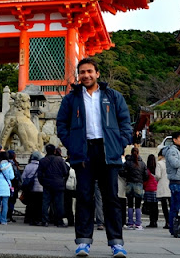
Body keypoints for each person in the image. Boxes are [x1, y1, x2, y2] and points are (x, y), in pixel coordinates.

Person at [56, 57, 132, 257]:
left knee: (111, 199)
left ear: (97, 73)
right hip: (83, 152)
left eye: (90, 71)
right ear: (78, 75)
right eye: (82, 72)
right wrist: (71, 145)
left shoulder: (113, 96)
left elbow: (125, 122)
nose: (86, 75)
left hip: (108, 151)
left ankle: (116, 242)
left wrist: (120, 142)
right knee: (84, 197)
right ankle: (83, 242)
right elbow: (61, 125)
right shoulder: (71, 99)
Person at [38, 143, 70, 227]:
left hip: (47, 184)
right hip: (58, 184)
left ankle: (45, 220)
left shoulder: (42, 161)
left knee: (45, 203)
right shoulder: (59, 160)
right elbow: (65, 172)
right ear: (55, 151)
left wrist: (43, 182)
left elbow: (39, 175)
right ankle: (59, 221)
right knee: (59, 203)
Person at [121, 146, 147, 230]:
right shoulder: (142, 163)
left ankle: (130, 222)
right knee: (138, 205)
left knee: (130, 204)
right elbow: (146, 175)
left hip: (129, 183)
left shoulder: (127, 162)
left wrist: (127, 176)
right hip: (139, 184)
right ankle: (138, 223)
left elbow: (121, 171)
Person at [0, 150, 14, 225]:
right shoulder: (9, 165)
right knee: (5, 204)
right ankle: (3, 220)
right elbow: (11, 177)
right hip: (5, 187)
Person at [21, 150, 44, 226]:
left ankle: (29, 218)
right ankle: (38, 219)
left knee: (30, 204)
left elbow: (23, 177)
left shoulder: (28, 166)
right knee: (39, 205)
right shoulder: (41, 166)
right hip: (40, 188)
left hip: (30, 188)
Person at [155, 149, 171, 229]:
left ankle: (167, 222)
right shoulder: (170, 162)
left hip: (162, 185)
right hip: (170, 186)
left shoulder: (159, 163)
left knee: (164, 206)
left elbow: (158, 175)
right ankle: (172, 221)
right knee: (172, 206)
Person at [143, 154, 159, 228]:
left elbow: (145, 179)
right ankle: (155, 221)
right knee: (155, 206)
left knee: (150, 207)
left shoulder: (147, 170)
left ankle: (151, 221)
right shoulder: (156, 169)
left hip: (148, 189)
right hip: (156, 189)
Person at [7, 150, 22, 222]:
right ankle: (9, 215)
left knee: (7, 201)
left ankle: (7, 215)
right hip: (13, 186)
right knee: (11, 201)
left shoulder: (6, 163)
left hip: (8, 185)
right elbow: (15, 176)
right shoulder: (13, 164)